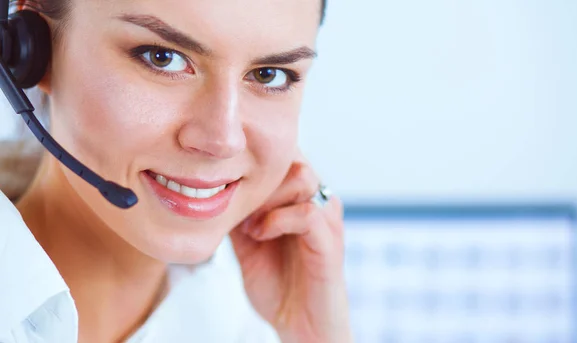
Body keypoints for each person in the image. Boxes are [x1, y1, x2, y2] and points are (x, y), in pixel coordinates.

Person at [0, 0, 352, 342]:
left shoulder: (241, 316)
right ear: (28, 51)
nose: (223, 140)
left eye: (269, 75)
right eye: (162, 58)